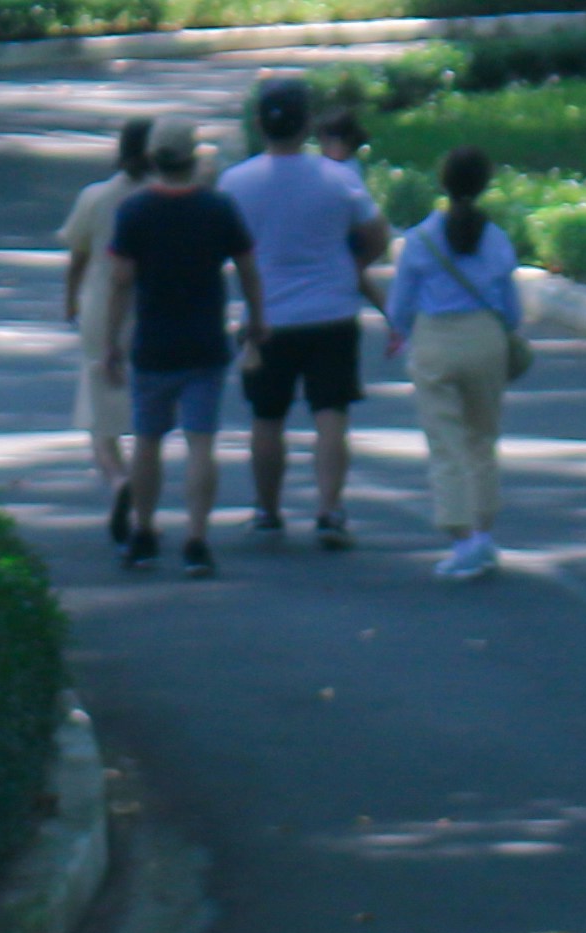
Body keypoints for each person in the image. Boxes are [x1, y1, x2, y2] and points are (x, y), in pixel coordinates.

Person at [216, 74, 389, 550]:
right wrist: (349, 265)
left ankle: (268, 512)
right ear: (308, 123)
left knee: (266, 417)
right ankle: (330, 511)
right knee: (331, 412)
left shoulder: (235, 182)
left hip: (264, 317)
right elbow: (377, 234)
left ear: (258, 123)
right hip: (331, 312)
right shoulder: (338, 179)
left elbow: (221, 245)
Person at [99, 120, 261, 577]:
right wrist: (257, 320)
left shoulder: (134, 211)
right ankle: (196, 539)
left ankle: (144, 533)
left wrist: (111, 341)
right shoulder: (218, 208)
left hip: (152, 343)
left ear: (153, 159)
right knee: (200, 443)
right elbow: (248, 267)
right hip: (205, 342)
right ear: (193, 158)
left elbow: (120, 281)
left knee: (147, 442)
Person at [383, 147, 526, 581]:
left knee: (446, 442)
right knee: (482, 438)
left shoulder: (421, 241)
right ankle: (483, 534)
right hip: (486, 340)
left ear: (442, 182)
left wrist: (401, 331)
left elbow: (400, 306)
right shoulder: (497, 239)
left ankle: (460, 537)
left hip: (435, 342)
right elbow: (513, 312)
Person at [56, 115, 153, 546]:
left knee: (101, 417)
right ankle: (146, 500)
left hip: (101, 311)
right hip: (151, 311)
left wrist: (70, 299)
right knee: (147, 415)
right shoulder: (161, 198)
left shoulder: (96, 197)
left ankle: (118, 481)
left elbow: (77, 255)